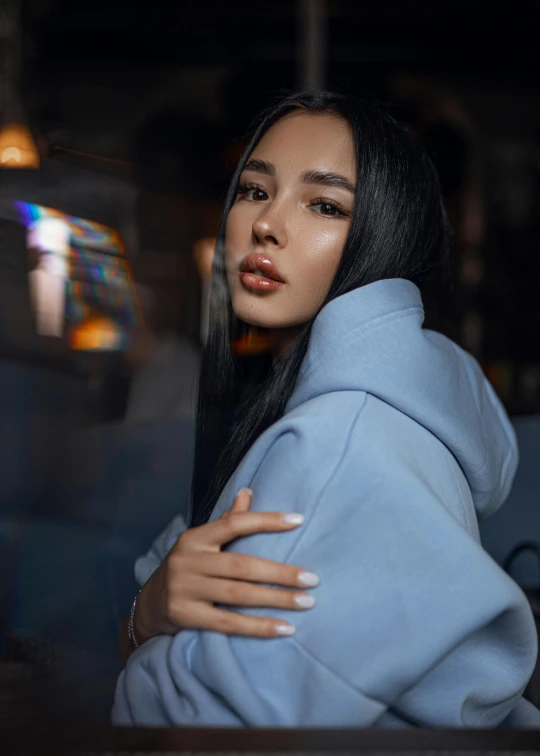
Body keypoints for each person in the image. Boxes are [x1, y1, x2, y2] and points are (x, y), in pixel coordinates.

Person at [112, 91, 540, 728]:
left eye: (324, 205)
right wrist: (150, 611)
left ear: (384, 238)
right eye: (256, 191)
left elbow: (224, 728)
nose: (266, 224)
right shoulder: (344, 413)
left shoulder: (339, 440)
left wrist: (142, 630)